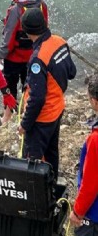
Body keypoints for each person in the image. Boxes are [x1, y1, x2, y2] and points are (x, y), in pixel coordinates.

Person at [17, 8, 76, 179]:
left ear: (26, 31)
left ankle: (36, 199)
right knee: (51, 153)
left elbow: (37, 98)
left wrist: (25, 124)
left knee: (31, 164)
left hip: (41, 118)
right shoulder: (60, 41)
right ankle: (53, 186)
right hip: (57, 108)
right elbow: (71, 72)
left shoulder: (38, 58)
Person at [0, 0, 49, 122]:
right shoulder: (42, 4)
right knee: (30, 84)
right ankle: (26, 111)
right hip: (34, 55)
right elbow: (44, 27)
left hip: (14, 57)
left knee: (10, 86)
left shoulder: (15, 10)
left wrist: (2, 54)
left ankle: (7, 116)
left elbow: (9, 36)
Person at [69, 74, 98, 235]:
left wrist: (78, 212)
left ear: (94, 101)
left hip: (94, 215)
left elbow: (91, 183)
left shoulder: (95, 139)